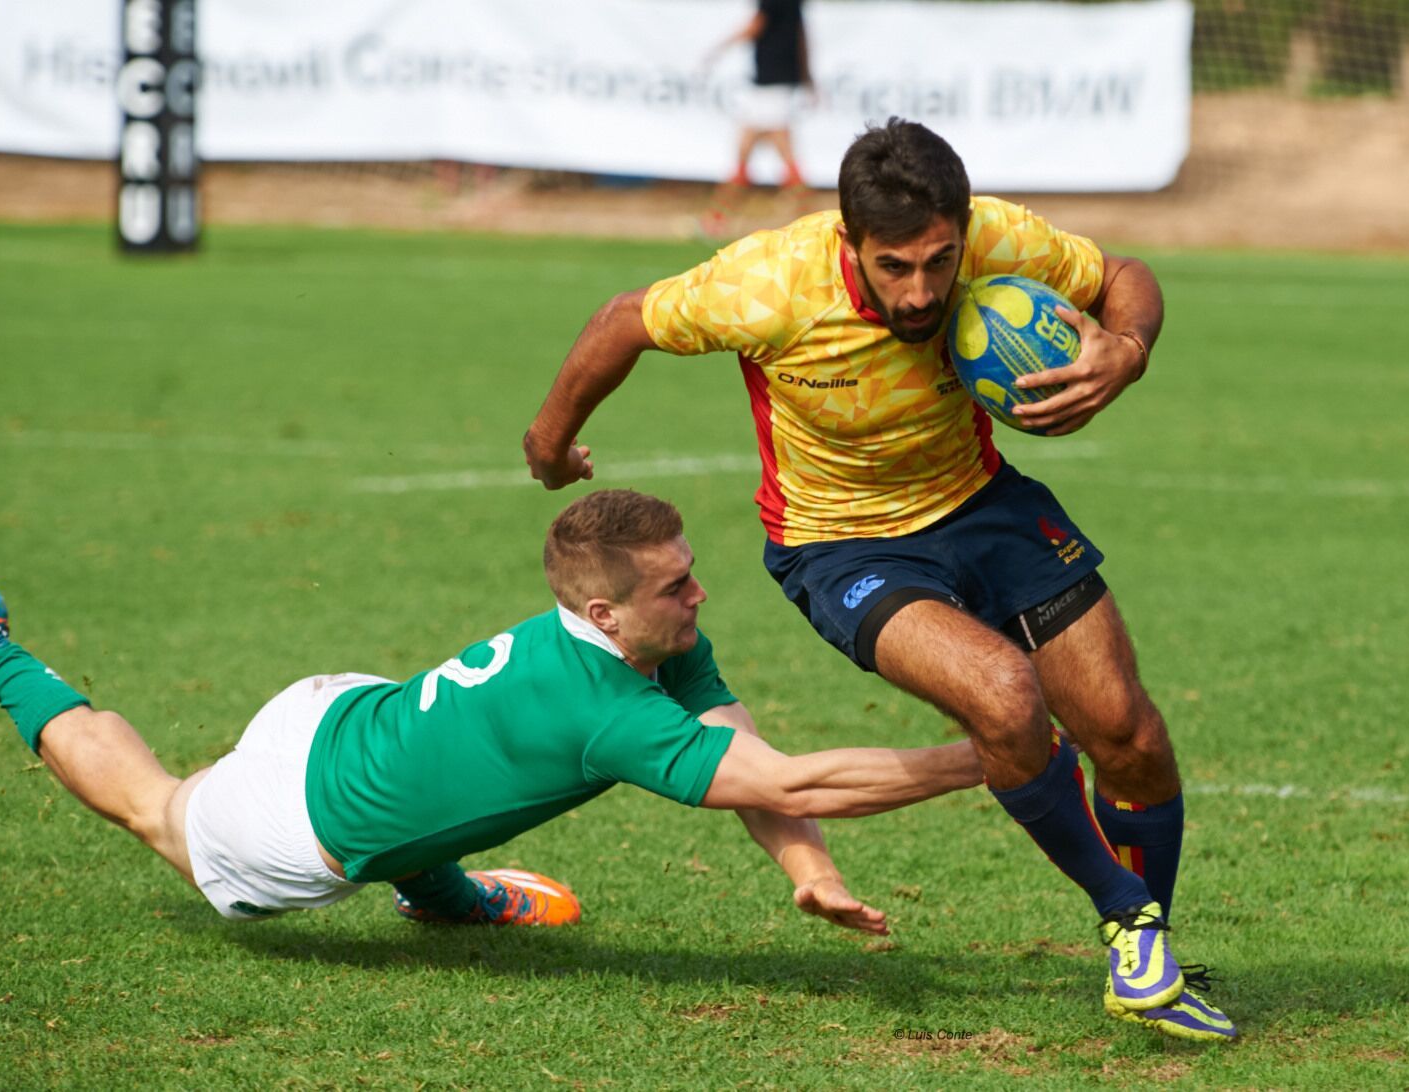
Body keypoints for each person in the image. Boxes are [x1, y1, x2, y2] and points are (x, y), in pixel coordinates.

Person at [522, 119, 1236, 1043]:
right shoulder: (770, 282)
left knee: (1129, 737)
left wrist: (1125, 350)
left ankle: (1150, 962)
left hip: (986, 507)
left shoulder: (999, 240)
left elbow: (1123, 276)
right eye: (895, 267)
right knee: (1005, 697)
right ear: (851, 241)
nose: (923, 291)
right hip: (841, 545)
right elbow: (626, 318)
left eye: (940, 262)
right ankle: (1129, 919)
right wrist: (548, 442)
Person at [0, 489, 984, 935]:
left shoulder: (646, 636)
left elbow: (746, 755)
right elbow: (794, 781)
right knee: (153, 808)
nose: (700, 595)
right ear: (606, 606)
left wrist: (811, 875)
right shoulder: (605, 709)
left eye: (690, 574)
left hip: (333, 709)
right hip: (291, 822)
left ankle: (448, 896)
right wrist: (991, 755)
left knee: (441, 778)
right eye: (677, 585)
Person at [706, 0, 810, 191]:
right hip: (776, 81)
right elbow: (801, 35)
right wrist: (806, 75)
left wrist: (719, 48)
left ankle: (718, 215)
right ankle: (718, 214)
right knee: (748, 146)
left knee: (773, 146)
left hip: (770, 82)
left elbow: (755, 26)